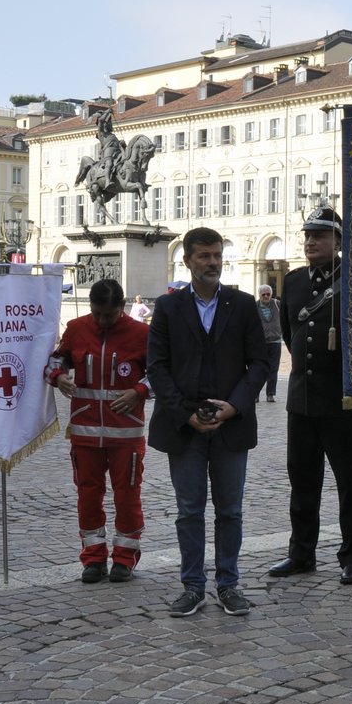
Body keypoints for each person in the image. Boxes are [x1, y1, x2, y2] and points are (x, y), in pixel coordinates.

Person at [148, 227, 270, 617]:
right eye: (204, 256)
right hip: (184, 425)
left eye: (216, 255)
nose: (213, 262)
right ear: (187, 261)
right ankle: (192, 585)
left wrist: (233, 407)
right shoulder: (167, 308)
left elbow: (261, 363)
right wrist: (184, 414)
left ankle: (229, 584)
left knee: (230, 510)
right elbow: (157, 367)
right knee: (189, 510)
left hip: (231, 425)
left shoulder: (243, 303)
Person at [268, 207, 352, 584]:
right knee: (303, 480)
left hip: (343, 399)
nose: (311, 241)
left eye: (321, 236)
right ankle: (301, 552)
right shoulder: (292, 281)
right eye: (307, 235)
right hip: (302, 398)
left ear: (339, 242)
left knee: (350, 482)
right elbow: (288, 332)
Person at [47, 278, 150, 585]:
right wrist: (58, 376)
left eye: (109, 315)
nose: (103, 321)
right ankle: (93, 557)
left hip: (126, 434)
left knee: (127, 496)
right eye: (98, 314)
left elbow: (160, 371)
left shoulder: (141, 334)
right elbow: (56, 359)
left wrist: (138, 392)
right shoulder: (78, 328)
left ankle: (124, 557)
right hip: (84, 432)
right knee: (88, 495)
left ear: (122, 307)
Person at [255, 284, 282, 402]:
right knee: (258, 369)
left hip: (275, 341)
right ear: (259, 295)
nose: (266, 296)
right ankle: (255, 394)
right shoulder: (254, 306)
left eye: (268, 294)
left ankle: (270, 394)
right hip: (260, 343)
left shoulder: (277, 304)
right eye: (263, 294)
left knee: (273, 369)